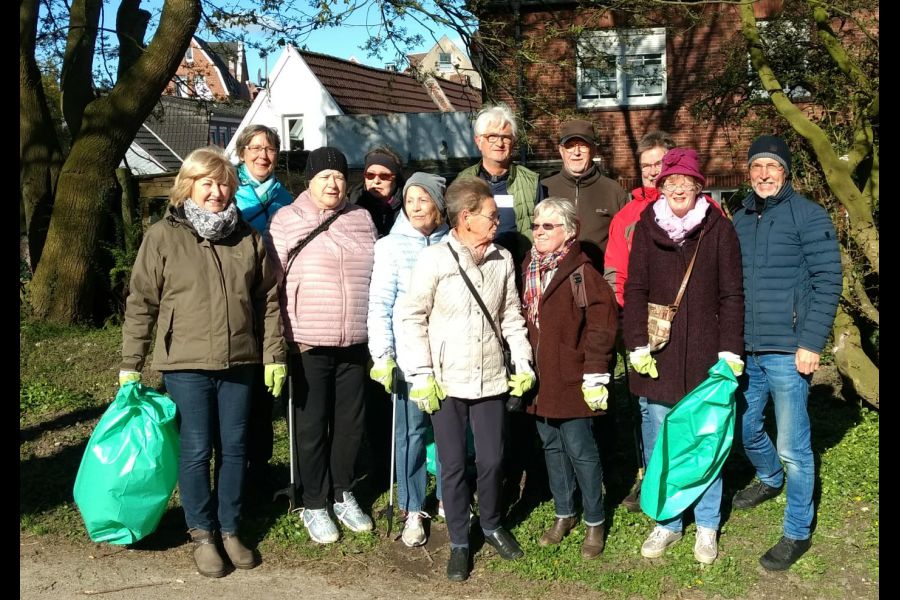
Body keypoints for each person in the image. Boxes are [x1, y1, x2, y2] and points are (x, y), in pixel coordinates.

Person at [119, 146, 285, 578]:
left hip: (239, 361)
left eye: (223, 183)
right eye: (207, 183)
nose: (216, 191)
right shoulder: (163, 236)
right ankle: (202, 533)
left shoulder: (248, 237)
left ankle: (230, 529)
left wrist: (273, 355)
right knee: (195, 449)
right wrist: (130, 364)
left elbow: (267, 301)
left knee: (235, 449)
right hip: (185, 361)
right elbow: (141, 302)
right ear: (188, 186)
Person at [397, 176, 536, 582]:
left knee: (492, 460)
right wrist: (420, 373)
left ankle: (491, 523)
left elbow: (511, 314)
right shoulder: (434, 260)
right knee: (453, 464)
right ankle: (459, 540)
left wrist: (523, 362)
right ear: (465, 218)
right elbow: (411, 317)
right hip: (445, 379)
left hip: (491, 375)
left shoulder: (501, 259)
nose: (497, 222)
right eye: (491, 216)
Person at [623, 147, 744, 565]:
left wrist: (729, 351)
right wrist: (636, 343)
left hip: (707, 355)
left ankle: (707, 524)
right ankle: (668, 521)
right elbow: (634, 289)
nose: (677, 189)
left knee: (705, 440)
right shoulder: (645, 227)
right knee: (661, 442)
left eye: (685, 183)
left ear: (698, 187)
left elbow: (731, 295)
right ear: (661, 187)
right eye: (670, 182)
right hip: (659, 355)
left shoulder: (718, 230)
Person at [731, 135, 842, 571]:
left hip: (789, 349)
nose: (763, 175)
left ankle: (797, 531)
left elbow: (827, 280)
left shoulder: (809, 216)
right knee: (745, 425)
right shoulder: (740, 218)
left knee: (794, 446)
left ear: (785, 171)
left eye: (771, 167)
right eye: (757, 167)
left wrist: (811, 342)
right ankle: (770, 478)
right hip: (746, 347)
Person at [265, 147, 378, 545]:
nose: (332, 184)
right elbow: (272, 286)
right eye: (323, 177)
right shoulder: (287, 220)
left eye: (338, 176)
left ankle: (342, 492)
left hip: (354, 339)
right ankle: (314, 502)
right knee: (311, 425)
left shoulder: (361, 219)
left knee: (351, 424)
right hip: (307, 340)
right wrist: (277, 341)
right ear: (309, 181)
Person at [520, 198, 618, 560]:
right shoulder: (529, 266)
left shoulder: (582, 272)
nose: (539, 232)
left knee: (581, 451)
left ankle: (595, 520)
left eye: (549, 226)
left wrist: (595, 373)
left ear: (569, 232)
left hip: (573, 378)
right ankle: (565, 512)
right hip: (540, 379)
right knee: (552, 447)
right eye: (536, 225)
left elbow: (601, 328)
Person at [367, 172, 450, 548]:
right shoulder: (389, 246)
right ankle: (413, 506)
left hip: (450, 355)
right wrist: (382, 354)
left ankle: (451, 495)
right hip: (408, 356)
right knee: (412, 432)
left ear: (439, 203)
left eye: (424, 199)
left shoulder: (453, 242)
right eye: (410, 199)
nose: (416, 206)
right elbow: (380, 304)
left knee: (451, 432)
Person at [232, 124, 295, 489]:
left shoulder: (286, 199)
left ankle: (260, 465)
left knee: (264, 388)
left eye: (269, 148)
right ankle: (234, 465)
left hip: (273, 298)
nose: (262, 155)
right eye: (255, 148)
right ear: (242, 153)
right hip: (236, 298)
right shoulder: (228, 193)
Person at [454, 103, 544, 267]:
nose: (500, 143)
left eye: (506, 137)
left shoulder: (531, 182)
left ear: (513, 142)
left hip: (520, 268)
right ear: (478, 141)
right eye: (492, 137)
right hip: (473, 267)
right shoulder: (463, 182)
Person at [541, 119, 629, 267]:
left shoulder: (614, 191)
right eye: (570, 146)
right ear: (561, 151)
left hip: (600, 279)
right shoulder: (544, 188)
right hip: (554, 280)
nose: (576, 153)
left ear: (594, 150)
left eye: (583, 146)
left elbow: (628, 242)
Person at [604, 130, 676, 307]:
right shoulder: (625, 218)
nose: (652, 172)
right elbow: (616, 272)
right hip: (645, 312)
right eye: (646, 166)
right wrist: (628, 311)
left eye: (658, 164)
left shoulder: (701, 207)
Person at [354, 145, 406, 237]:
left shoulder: (409, 207)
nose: (376, 181)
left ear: (396, 179)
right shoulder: (353, 206)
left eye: (384, 176)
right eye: (370, 175)